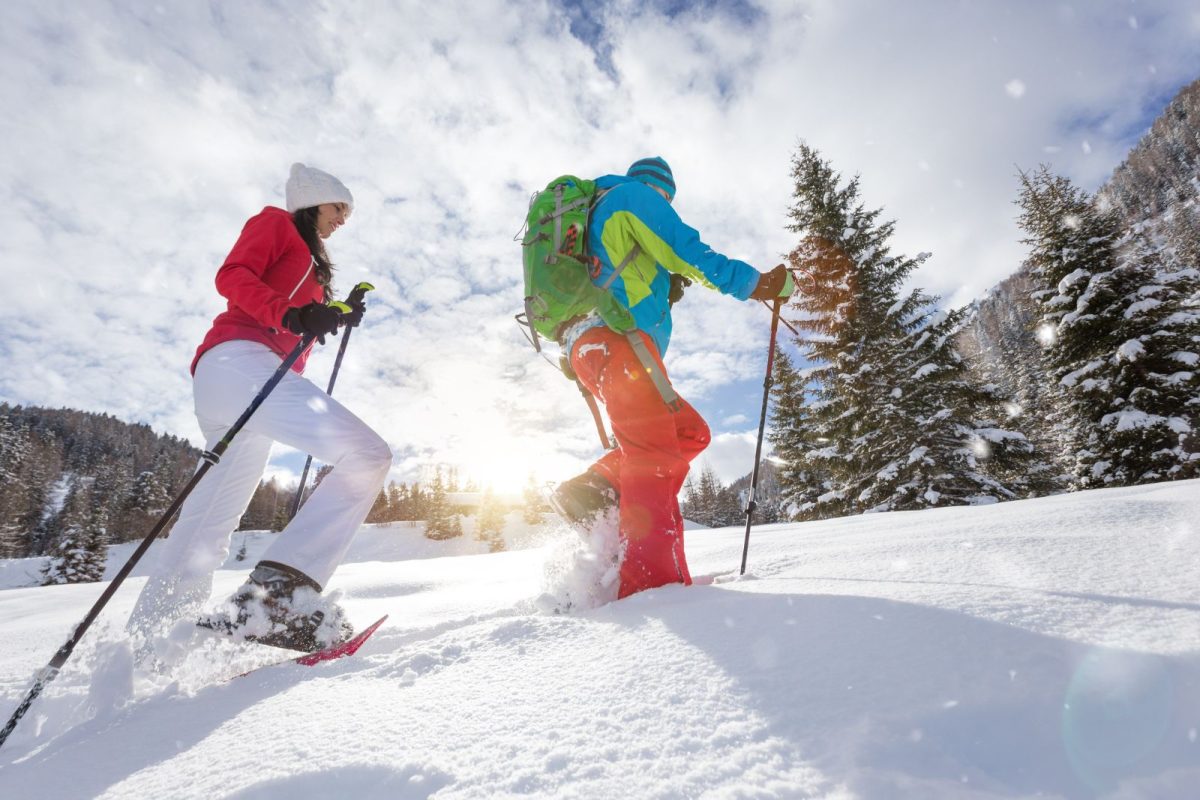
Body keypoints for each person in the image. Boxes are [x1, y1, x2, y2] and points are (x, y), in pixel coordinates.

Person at [127, 163, 392, 652]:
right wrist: (292, 312)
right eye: (339, 207)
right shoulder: (276, 223)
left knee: (209, 525)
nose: (343, 219)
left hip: (238, 377)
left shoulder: (312, 262)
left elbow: (294, 315)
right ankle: (279, 597)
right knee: (369, 454)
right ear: (313, 200)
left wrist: (333, 312)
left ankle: (151, 649)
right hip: (240, 362)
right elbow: (234, 277)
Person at [551, 156, 794, 600]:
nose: (666, 204)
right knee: (655, 455)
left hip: (600, 347)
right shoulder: (634, 197)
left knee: (689, 432)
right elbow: (688, 251)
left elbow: (619, 276)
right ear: (661, 190)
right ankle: (653, 587)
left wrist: (661, 284)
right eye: (668, 198)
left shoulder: (600, 211)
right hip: (618, 344)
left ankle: (598, 486)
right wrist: (759, 284)